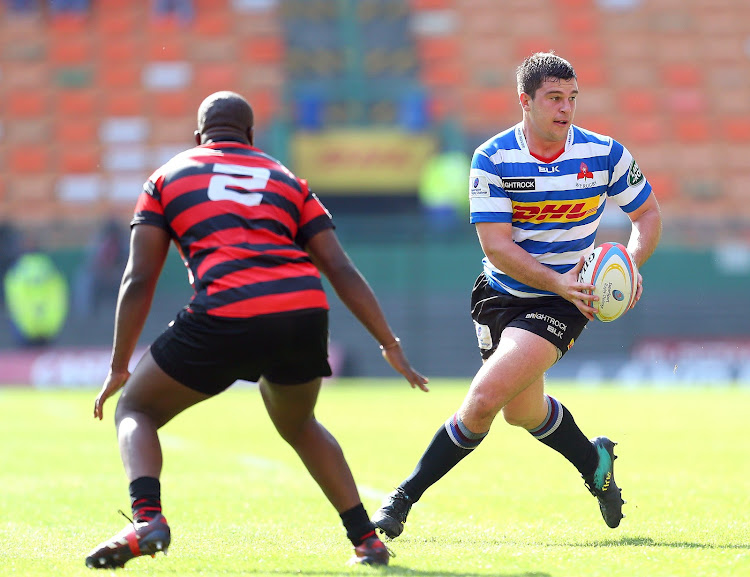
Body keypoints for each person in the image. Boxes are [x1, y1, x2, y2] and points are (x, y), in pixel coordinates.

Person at [85, 91, 429, 569]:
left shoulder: (166, 176)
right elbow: (339, 267)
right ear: (250, 136)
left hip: (226, 311)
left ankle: (148, 519)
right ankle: (366, 540)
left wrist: (120, 365)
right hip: (304, 310)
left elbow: (139, 276)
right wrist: (389, 343)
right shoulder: (288, 180)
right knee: (299, 424)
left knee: (136, 408)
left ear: (197, 136)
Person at [372, 52, 662, 539]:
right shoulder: (492, 158)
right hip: (501, 293)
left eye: (571, 98)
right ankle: (596, 461)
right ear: (524, 101)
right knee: (522, 412)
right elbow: (496, 246)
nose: (565, 108)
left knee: (482, 401)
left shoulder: (606, 154)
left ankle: (401, 499)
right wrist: (556, 280)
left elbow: (647, 214)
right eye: (553, 98)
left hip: (564, 301)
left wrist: (629, 265)